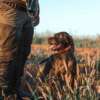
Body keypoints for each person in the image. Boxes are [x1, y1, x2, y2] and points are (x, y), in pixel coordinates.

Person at [0, 0, 39, 99]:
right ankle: (3, 91)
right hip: (9, 6)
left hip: (28, 11)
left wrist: (36, 7)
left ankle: (14, 89)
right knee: (7, 53)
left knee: (23, 52)